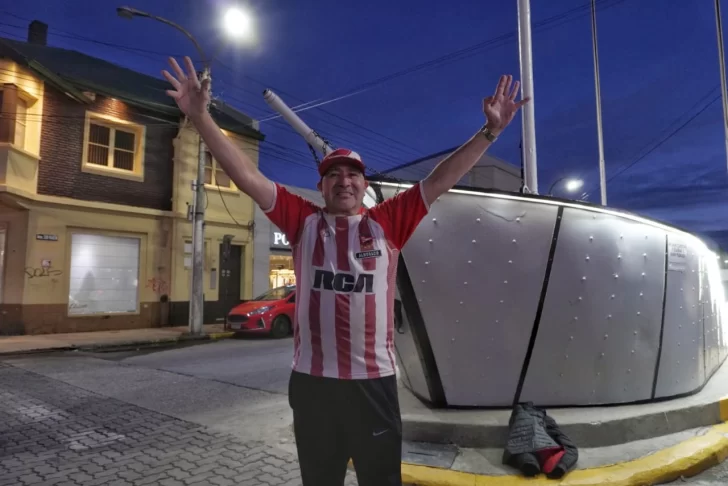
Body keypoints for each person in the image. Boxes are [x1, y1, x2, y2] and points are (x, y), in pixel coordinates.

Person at [162, 56, 530, 486]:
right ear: (321, 187)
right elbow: (246, 175)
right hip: (313, 384)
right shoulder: (302, 222)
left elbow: (439, 179)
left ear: (363, 185)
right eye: (333, 174)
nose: (344, 181)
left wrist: (489, 132)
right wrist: (201, 116)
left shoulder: (387, 222)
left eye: (353, 174)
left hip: (373, 384)